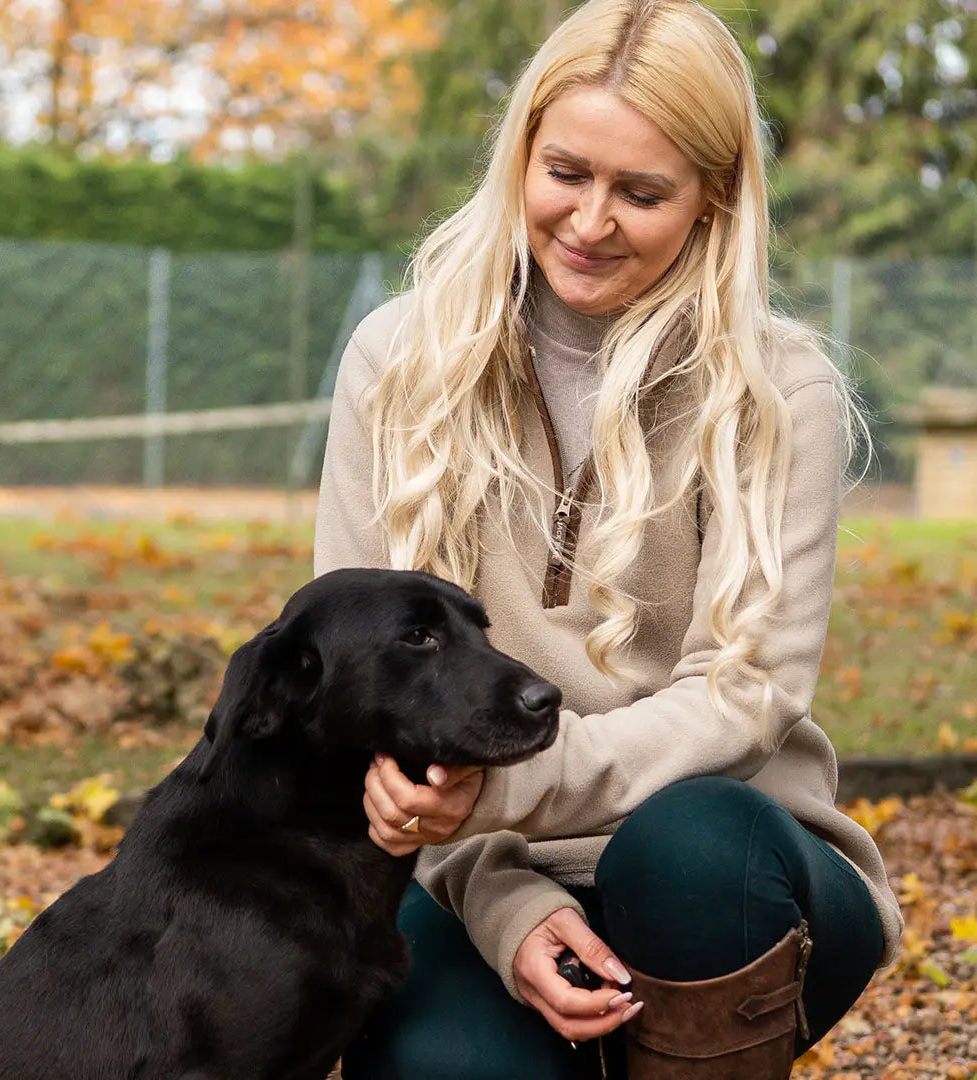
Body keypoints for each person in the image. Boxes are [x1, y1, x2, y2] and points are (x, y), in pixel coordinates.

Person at [313, 0, 903, 1076]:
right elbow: (366, 677)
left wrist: (506, 781)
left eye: (641, 193)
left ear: (712, 201)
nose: (589, 222)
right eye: (566, 172)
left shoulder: (782, 393)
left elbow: (747, 693)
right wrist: (505, 901)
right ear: (520, 157)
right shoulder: (397, 362)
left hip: (730, 873)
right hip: (471, 865)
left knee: (692, 852)